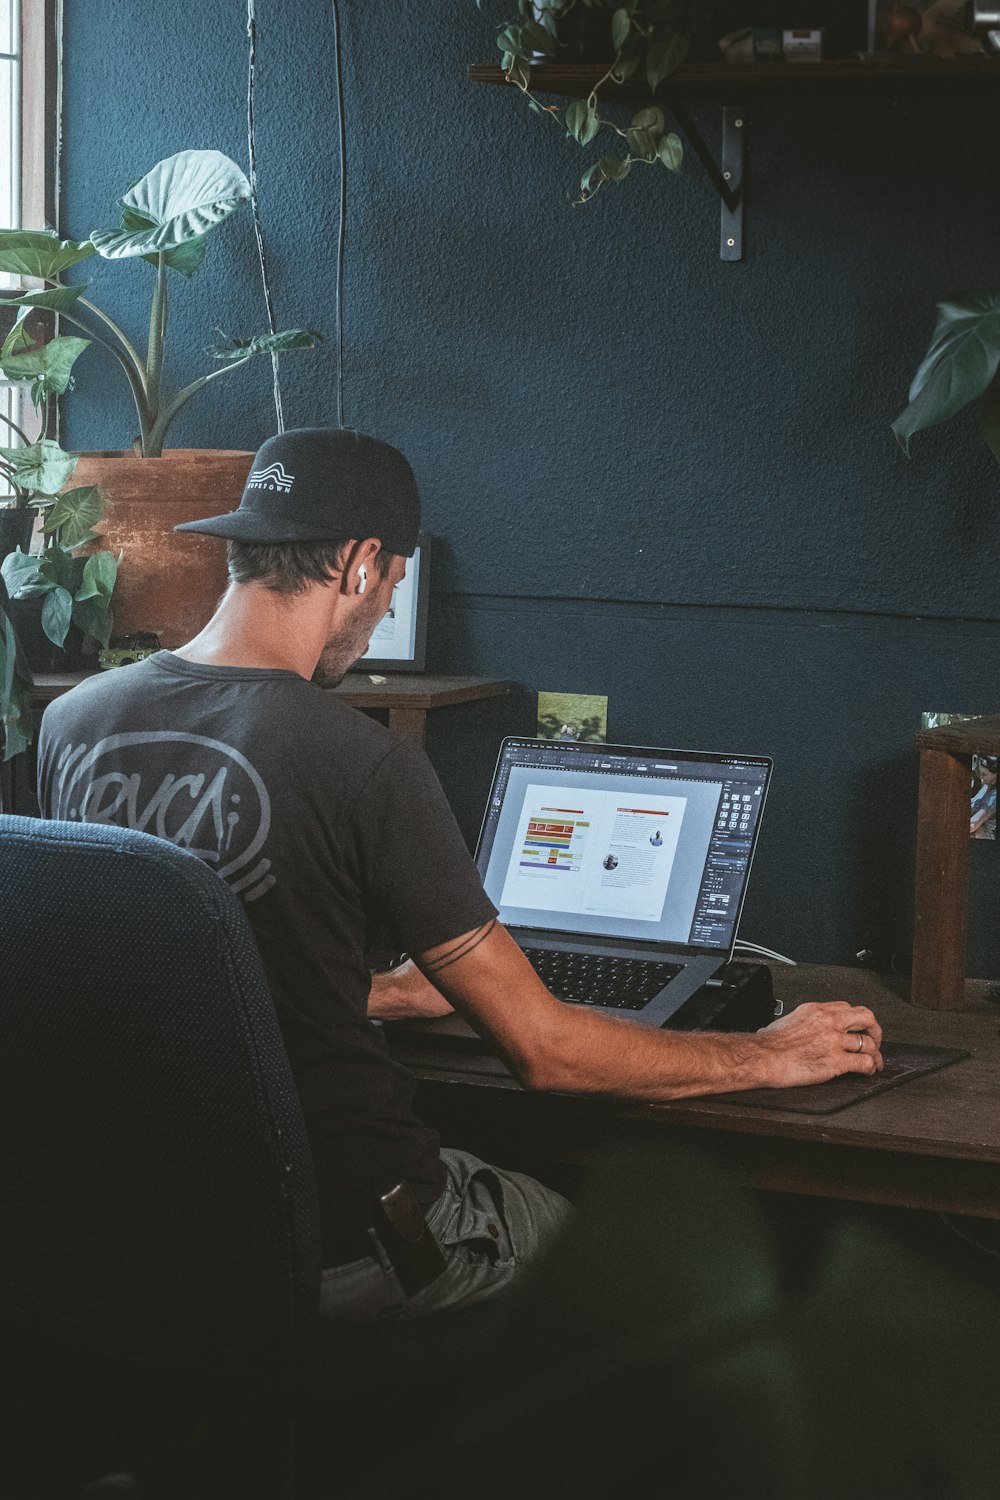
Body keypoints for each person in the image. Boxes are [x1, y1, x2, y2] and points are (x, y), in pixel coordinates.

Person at [35, 427, 884, 1322]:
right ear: (362, 565)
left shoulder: (76, 723)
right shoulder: (362, 762)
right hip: (347, 1246)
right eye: (394, 580)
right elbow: (547, 1054)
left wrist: (386, 994)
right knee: (639, 1271)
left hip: (147, 1245)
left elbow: (164, 967)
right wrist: (763, 1053)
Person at [970, 756, 997, 840]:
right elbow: (973, 803)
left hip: (987, 840)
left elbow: (973, 824)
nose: (981, 777)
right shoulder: (987, 786)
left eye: (984, 774)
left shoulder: (995, 796)